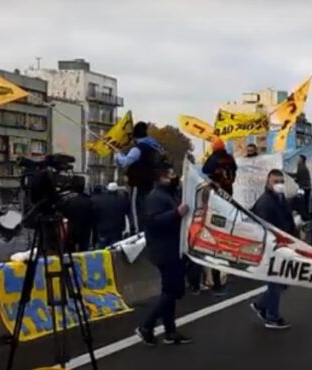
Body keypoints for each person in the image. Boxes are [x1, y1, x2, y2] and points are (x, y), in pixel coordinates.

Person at [136, 163, 193, 346]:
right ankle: (146, 325)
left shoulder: (169, 194)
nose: (174, 177)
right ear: (161, 177)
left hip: (172, 248)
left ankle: (170, 331)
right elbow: (154, 221)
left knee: (170, 290)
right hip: (164, 250)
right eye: (171, 174)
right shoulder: (155, 197)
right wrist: (177, 213)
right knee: (172, 291)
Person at [248, 170, 296, 330]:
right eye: (275, 182)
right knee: (276, 283)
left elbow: (287, 220)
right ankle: (272, 317)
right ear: (268, 182)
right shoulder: (265, 202)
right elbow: (263, 228)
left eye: (281, 181)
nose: (279, 185)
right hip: (272, 248)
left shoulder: (280, 198)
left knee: (283, 282)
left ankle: (260, 304)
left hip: (284, 246)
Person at [201, 138, 237, 296]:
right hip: (228, 193)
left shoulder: (213, 159)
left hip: (217, 195)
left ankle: (216, 281)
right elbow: (235, 170)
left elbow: (205, 170)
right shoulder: (229, 158)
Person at [116, 122, 165, 232]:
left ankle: (138, 231)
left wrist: (118, 155)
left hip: (138, 184)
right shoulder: (155, 146)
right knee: (149, 208)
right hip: (151, 183)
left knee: (136, 208)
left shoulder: (138, 149)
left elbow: (125, 162)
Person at [60, 176, 95, 252]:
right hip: (85, 231)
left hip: (71, 230)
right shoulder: (89, 201)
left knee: (70, 251)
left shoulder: (67, 200)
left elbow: (63, 214)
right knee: (83, 250)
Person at [93, 182, 131, 249]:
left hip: (102, 229)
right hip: (117, 230)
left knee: (101, 250)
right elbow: (128, 213)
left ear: (107, 189)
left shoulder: (100, 199)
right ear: (117, 190)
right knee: (115, 249)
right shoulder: (123, 200)